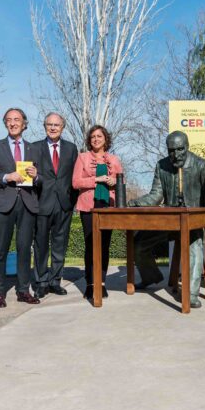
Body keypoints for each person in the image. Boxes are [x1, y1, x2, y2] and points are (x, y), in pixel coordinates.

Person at [129, 131, 205, 309]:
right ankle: (151, 276)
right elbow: (155, 196)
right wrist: (134, 203)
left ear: (187, 147)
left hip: (193, 221)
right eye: (171, 150)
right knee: (139, 243)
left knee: (194, 249)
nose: (176, 154)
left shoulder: (201, 165)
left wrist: (201, 219)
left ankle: (191, 294)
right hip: (168, 221)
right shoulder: (162, 165)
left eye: (180, 149)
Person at [0, 108, 40, 307]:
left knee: (25, 249)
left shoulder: (34, 149)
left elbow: (43, 181)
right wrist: (7, 177)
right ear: (5, 123)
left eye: (17, 119)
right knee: (1, 249)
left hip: (27, 204)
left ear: (24, 123)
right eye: (9, 120)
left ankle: (23, 290)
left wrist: (36, 176)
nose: (13, 123)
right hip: (4, 203)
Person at [72, 124, 124, 301]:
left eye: (99, 136)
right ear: (89, 140)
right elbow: (76, 182)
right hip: (88, 206)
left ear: (105, 139)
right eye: (93, 136)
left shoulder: (114, 159)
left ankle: (101, 284)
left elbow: (120, 183)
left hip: (107, 206)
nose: (96, 139)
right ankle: (90, 284)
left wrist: (112, 181)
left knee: (104, 245)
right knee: (91, 246)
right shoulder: (82, 157)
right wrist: (97, 180)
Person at [34, 112, 78, 298]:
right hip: (41, 203)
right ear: (44, 126)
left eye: (56, 125)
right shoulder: (34, 147)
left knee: (60, 245)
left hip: (64, 204)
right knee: (41, 245)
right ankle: (42, 282)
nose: (53, 128)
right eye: (49, 124)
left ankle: (55, 281)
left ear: (63, 127)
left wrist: (71, 202)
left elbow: (75, 177)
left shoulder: (71, 148)